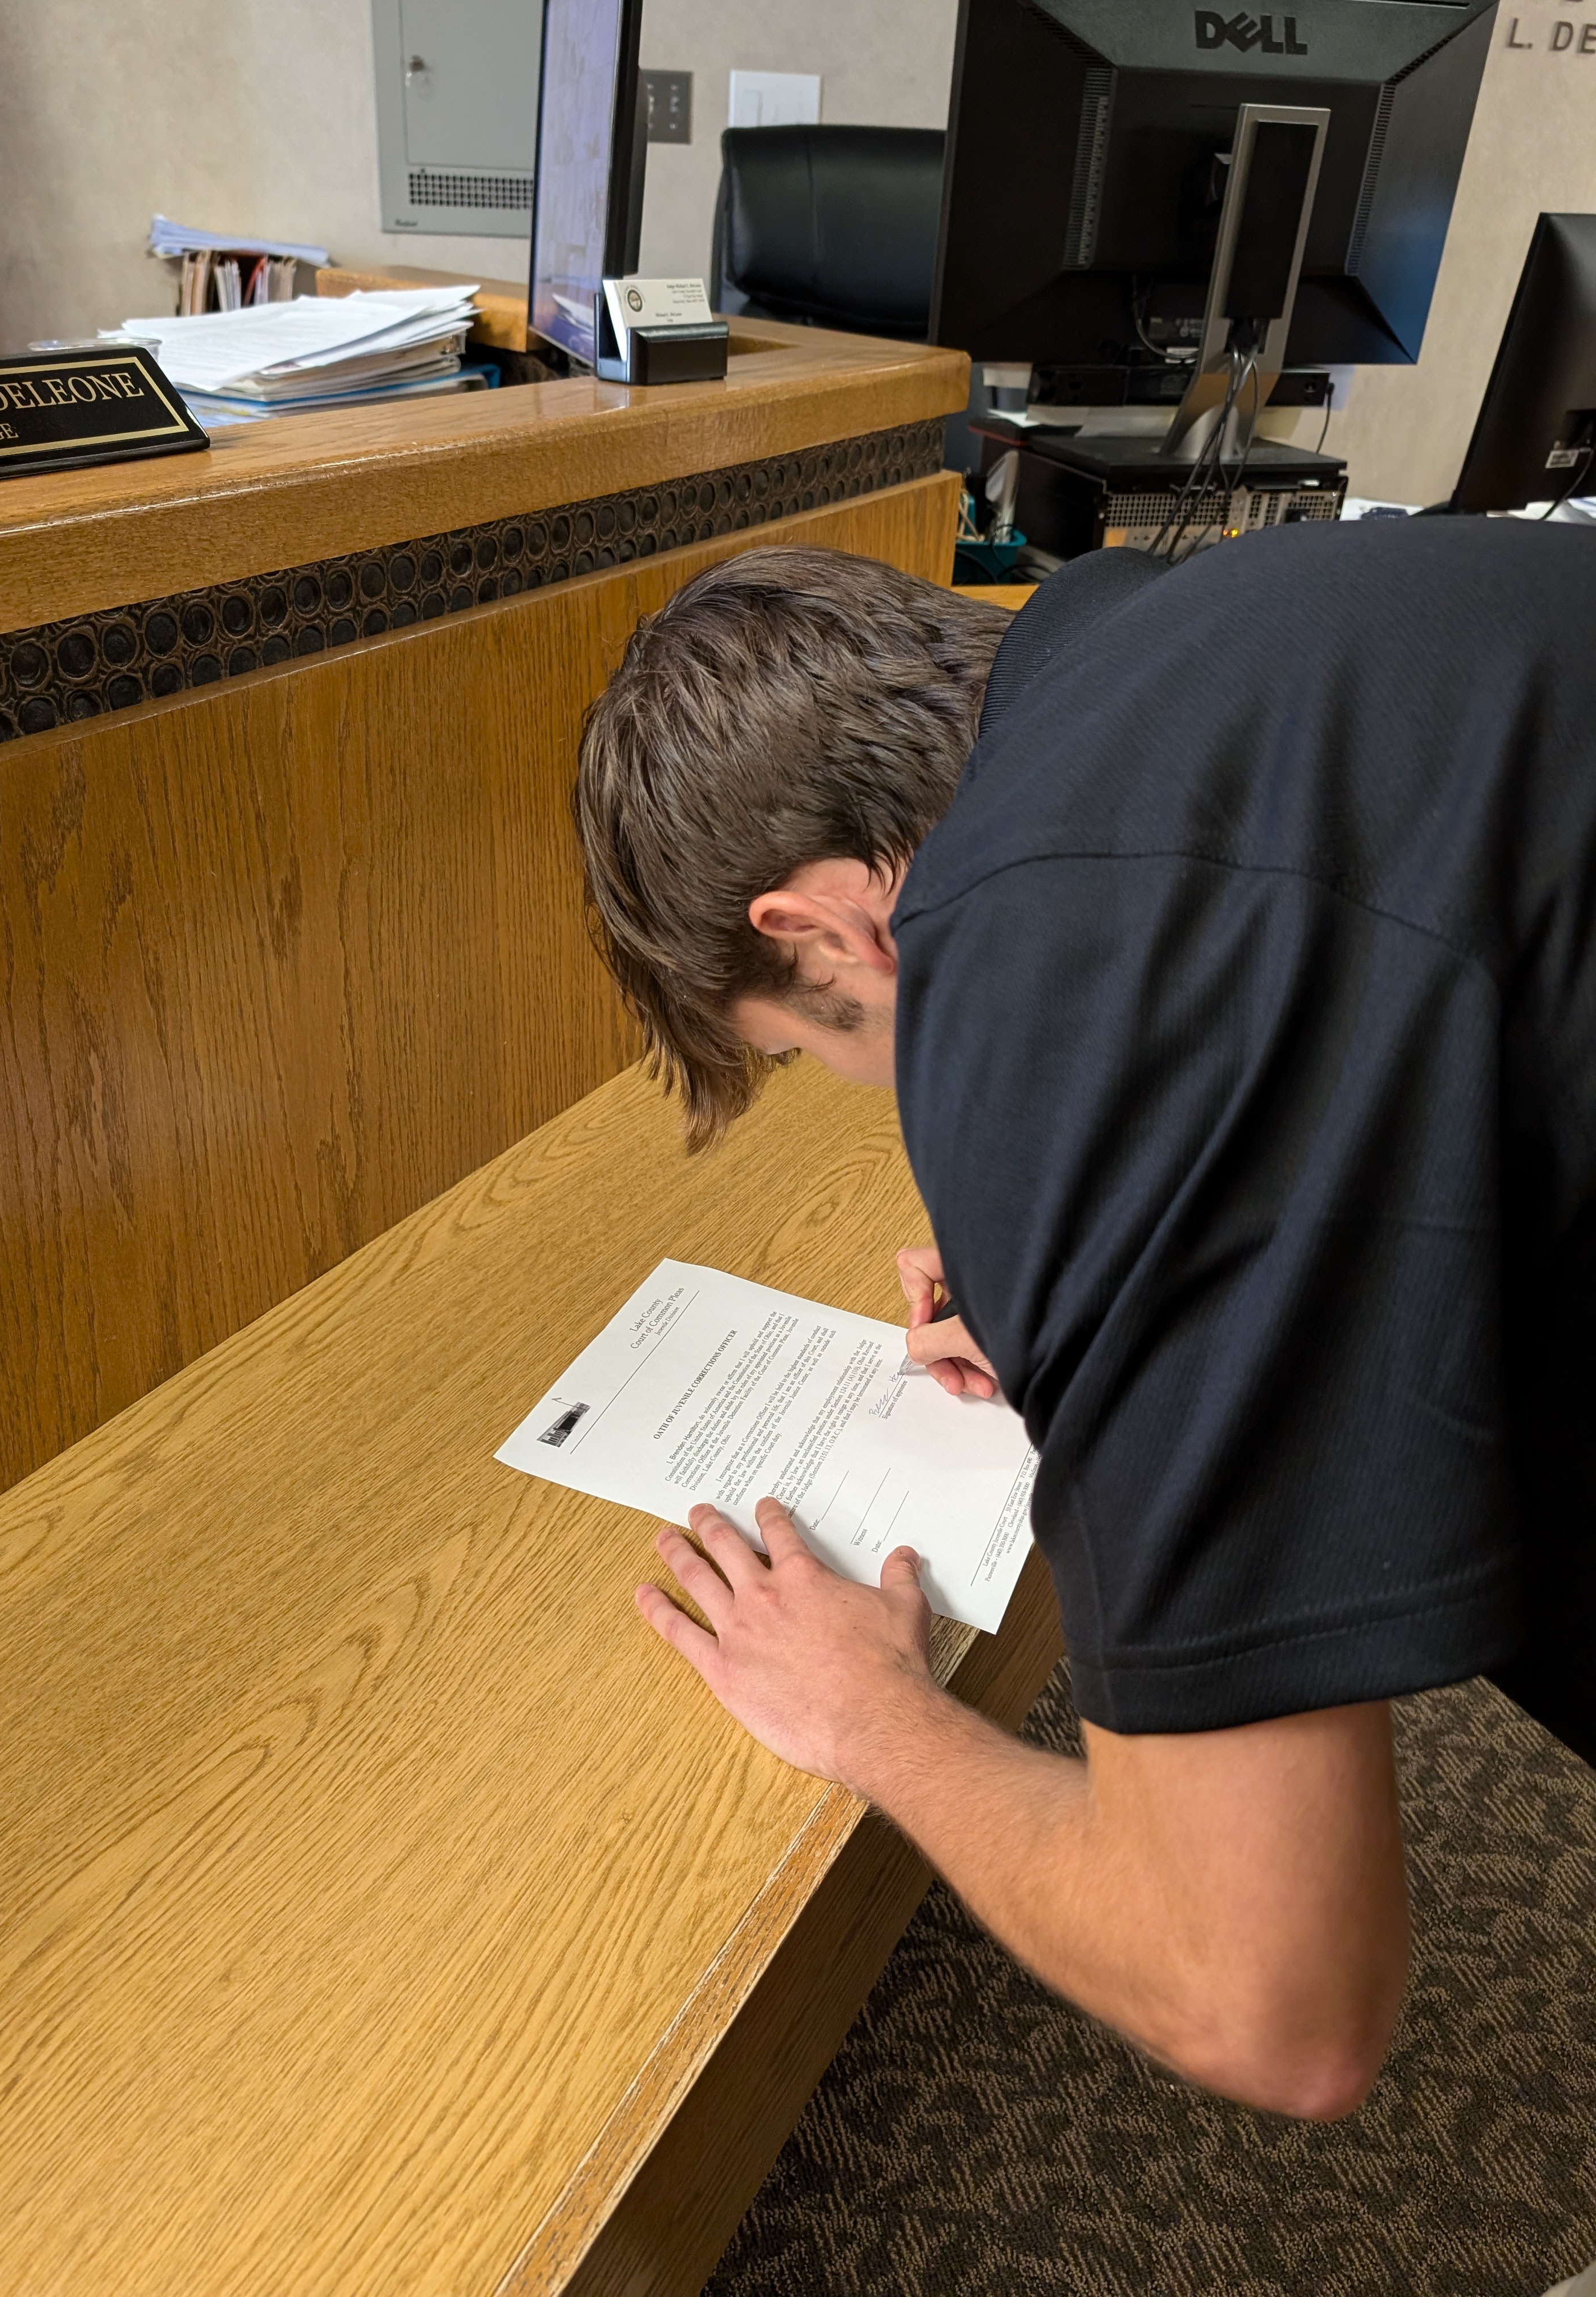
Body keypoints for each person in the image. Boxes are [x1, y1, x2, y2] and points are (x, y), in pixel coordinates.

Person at [571, 521, 1596, 2126]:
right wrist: (1123, 1286)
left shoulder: (1057, 983)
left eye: (798, 1052)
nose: (865, 1091)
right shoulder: (1166, 636)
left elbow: (1270, 2005)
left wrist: (877, 1721)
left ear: (822, 930)